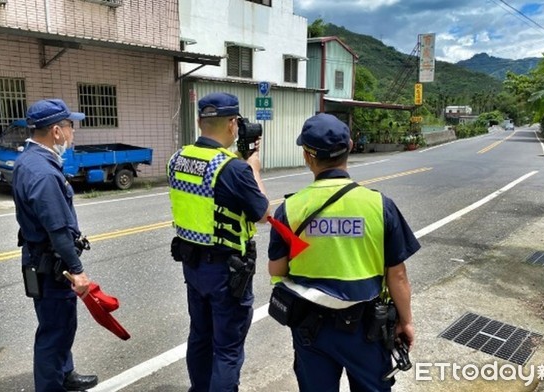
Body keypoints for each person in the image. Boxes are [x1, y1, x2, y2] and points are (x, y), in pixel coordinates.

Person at [268, 113, 420, 391]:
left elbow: (276, 270)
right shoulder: (379, 205)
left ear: (307, 156)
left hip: (310, 327)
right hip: (367, 329)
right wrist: (406, 321)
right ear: (350, 147)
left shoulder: (289, 209)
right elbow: (397, 276)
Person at [167, 92, 270, 392]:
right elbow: (263, 213)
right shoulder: (235, 169)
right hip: (227, 272)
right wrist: (254, 167)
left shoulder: (178, 159)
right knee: (227, 348)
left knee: (199, 336)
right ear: (232, 124)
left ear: (200, 121)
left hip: (192, 266)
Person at [12, 99, 98, 392]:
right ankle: (51, 385)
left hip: (41, 259)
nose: (73, 133)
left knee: (59, 324)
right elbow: (58, 229)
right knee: (56, 330)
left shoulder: (29, 160)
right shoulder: (44, 173)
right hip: (52, 264)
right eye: (70, 126)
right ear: (56, 132)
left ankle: (65, 373)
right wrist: (77, 270)